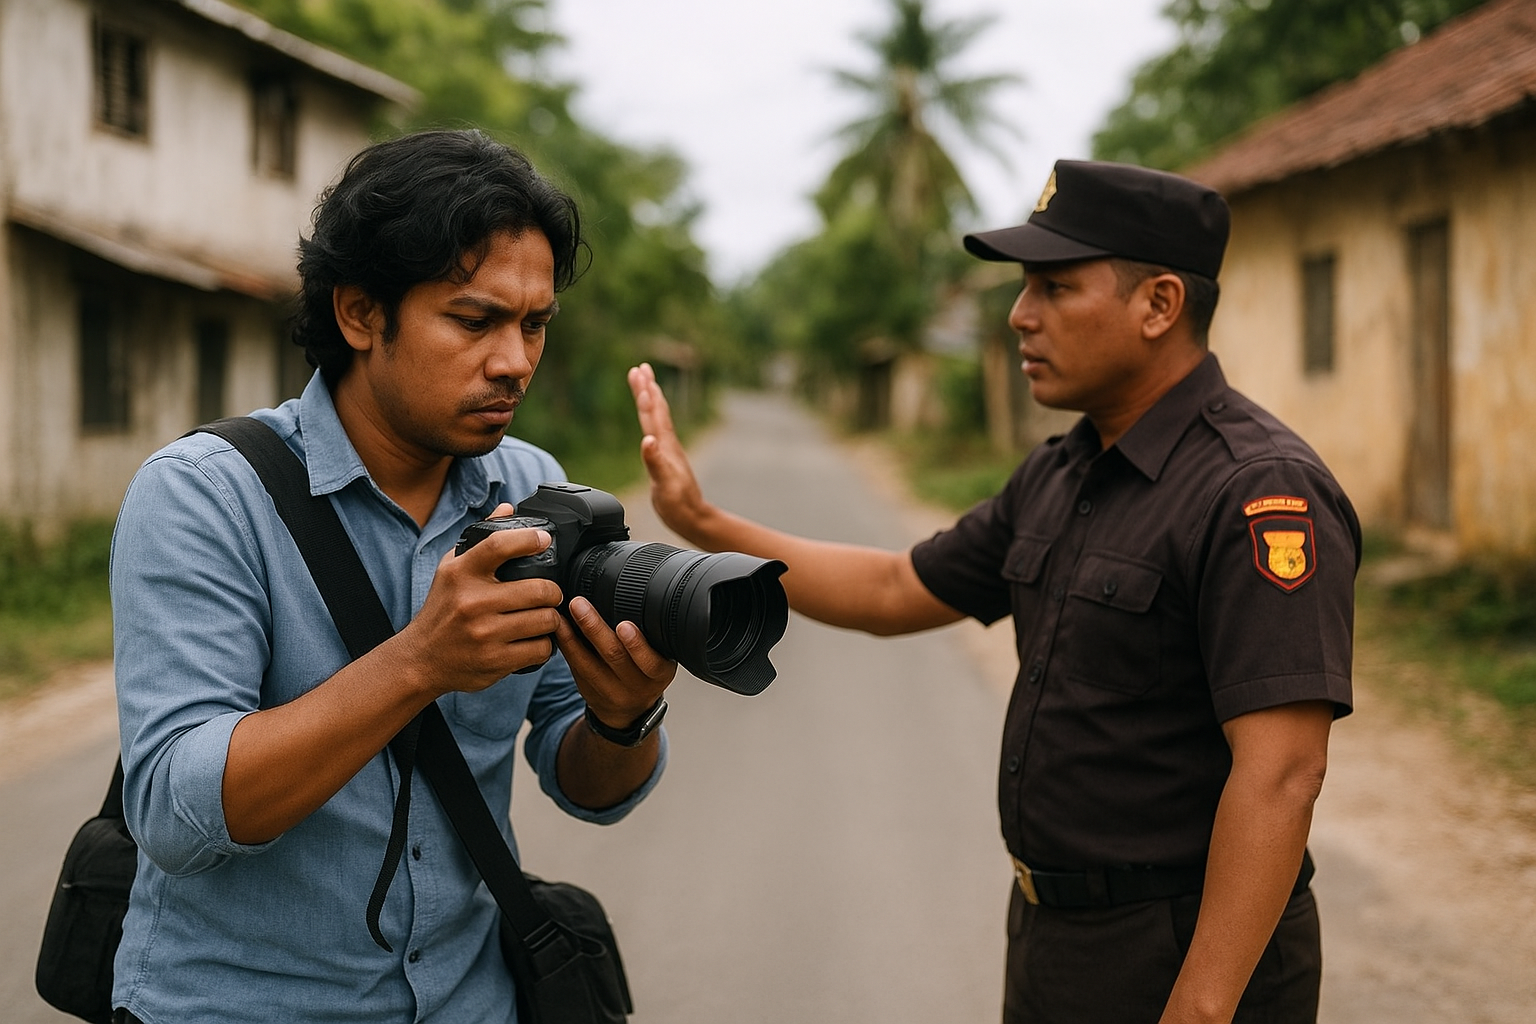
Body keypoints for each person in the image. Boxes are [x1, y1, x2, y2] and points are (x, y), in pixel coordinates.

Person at [628, 159, 1358, 1024]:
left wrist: (1199, 1009)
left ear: (1159, 305)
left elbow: (1281, 774)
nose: (1021, 315)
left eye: (1054, 287)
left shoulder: (1255, 490)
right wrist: (705, 521)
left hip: (1187, 954)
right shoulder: (1062, 471)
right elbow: (898, 587)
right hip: (1054, 938)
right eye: (1023, 287)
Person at [110, 129, 675, 1024]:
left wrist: (624, 714)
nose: (515, 362)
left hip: (470, 1002)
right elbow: (176, 814)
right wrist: (419, 663)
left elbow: (591, 785)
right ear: (361, 313)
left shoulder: (531, 489)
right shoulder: (203, 497)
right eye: (474, 320)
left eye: (534, 325)